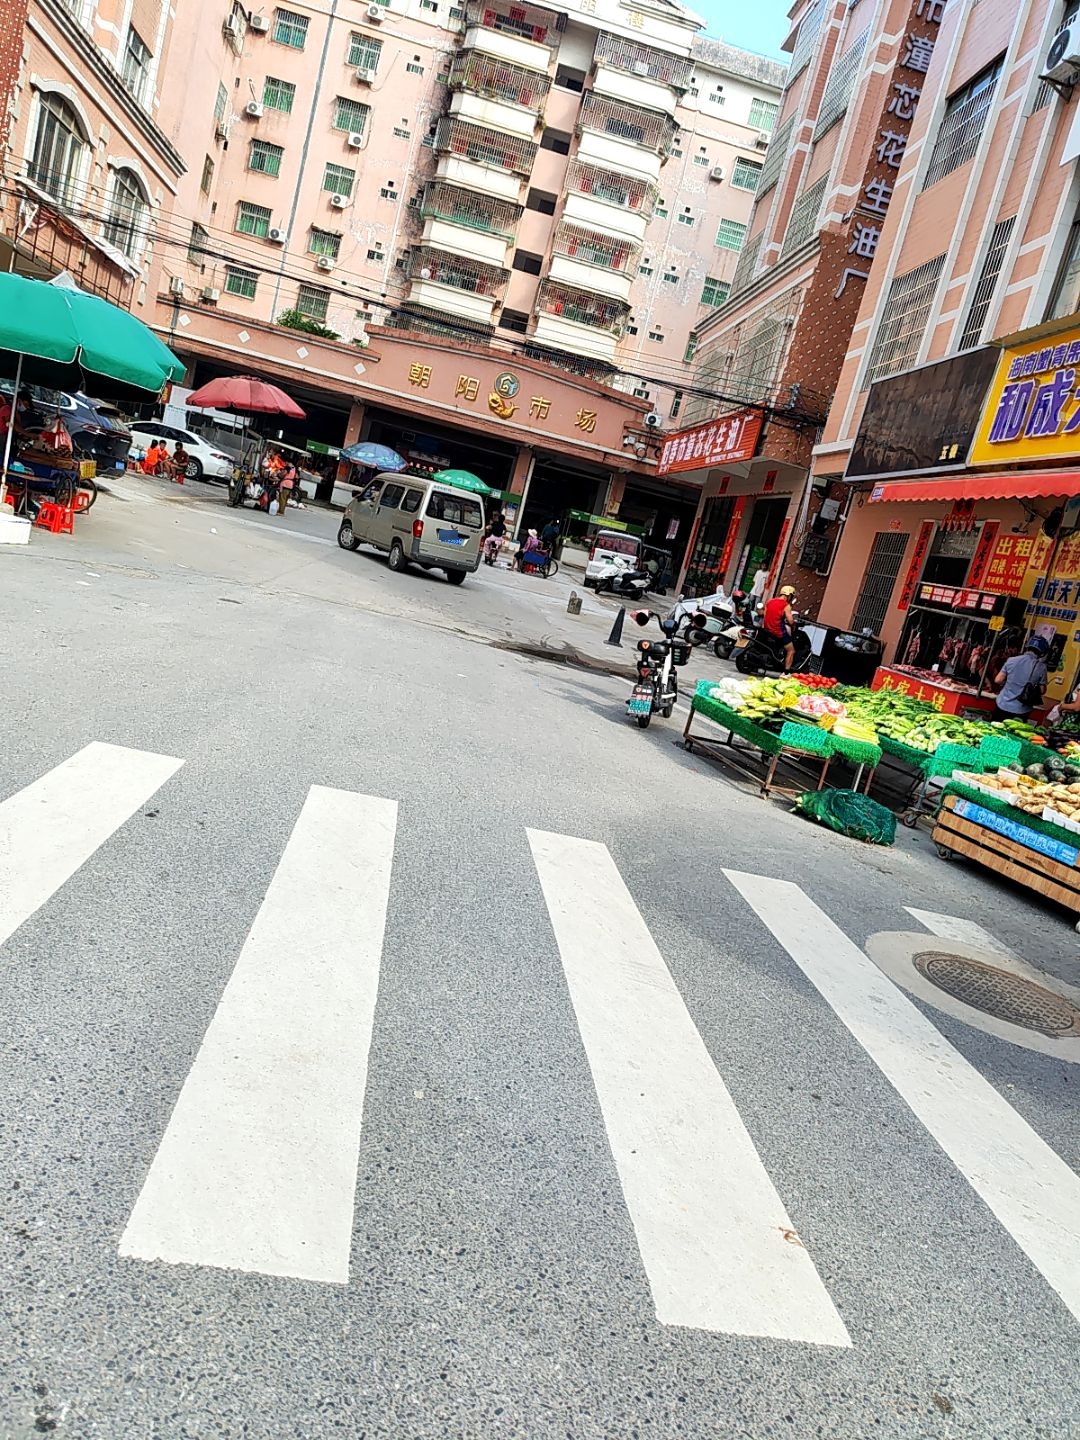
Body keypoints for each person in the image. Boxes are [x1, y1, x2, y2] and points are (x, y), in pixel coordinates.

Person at [993, 634, 1050, 721]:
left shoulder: (1011, 660)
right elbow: (1042, 691)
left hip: (1003, 704)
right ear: (1042, 652)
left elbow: (998, 680)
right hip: (1022, 710)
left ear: (1027, 646)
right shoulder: (1041, 667)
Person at [763, 584, 797, 672]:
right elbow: (790, 621)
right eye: (791, 596)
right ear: (789, 595)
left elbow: (765, 615)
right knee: (791, 650)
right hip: (778, 632)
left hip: (766, 630)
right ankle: (786, 672)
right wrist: (794, 624)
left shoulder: (770, 602)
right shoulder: (786, 605)